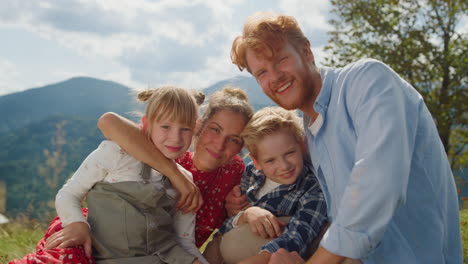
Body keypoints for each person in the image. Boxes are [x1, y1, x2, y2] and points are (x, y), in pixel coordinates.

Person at [229, 12, 462, 264]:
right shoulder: (309, 130)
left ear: (306, 51)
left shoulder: (367, 81)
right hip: (357, 258)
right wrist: (242, 206)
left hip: (412, 257)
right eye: (261, 73)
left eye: (281, 60)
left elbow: (377, 184)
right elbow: (269, 160)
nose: (274, 77)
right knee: (239, 244)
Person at [10, 86, 208, 264]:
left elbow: (184, 241)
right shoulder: (115, 154)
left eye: (185, 129)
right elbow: (68, 194)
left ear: (195, 130)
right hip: (113, 256)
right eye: (165, 126)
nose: (175, 137)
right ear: (146, 125)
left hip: (165, 255)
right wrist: (77, 225)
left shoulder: (185, 181)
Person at [97, 86, 254, 248]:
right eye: (215, 129)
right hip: (113, 240)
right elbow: (109, 122)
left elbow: (228, 223)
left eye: (234, 140)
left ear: (241, 147)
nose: (220, 145)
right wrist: (175, 173)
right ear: (198, 127)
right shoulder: (164, 151)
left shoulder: (233, 170)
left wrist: (233, 212)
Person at [204, 106, 327, 264]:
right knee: (215, 246)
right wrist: (246, 214)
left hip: (273, 254)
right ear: (256, 162)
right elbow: (230, 223)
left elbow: (300, 232)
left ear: (301, 146)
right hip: (234, 238)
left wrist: (260, 259)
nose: (284, 166)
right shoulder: (252, 174)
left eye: (290, 153)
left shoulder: (312, 187)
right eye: (270, 160)